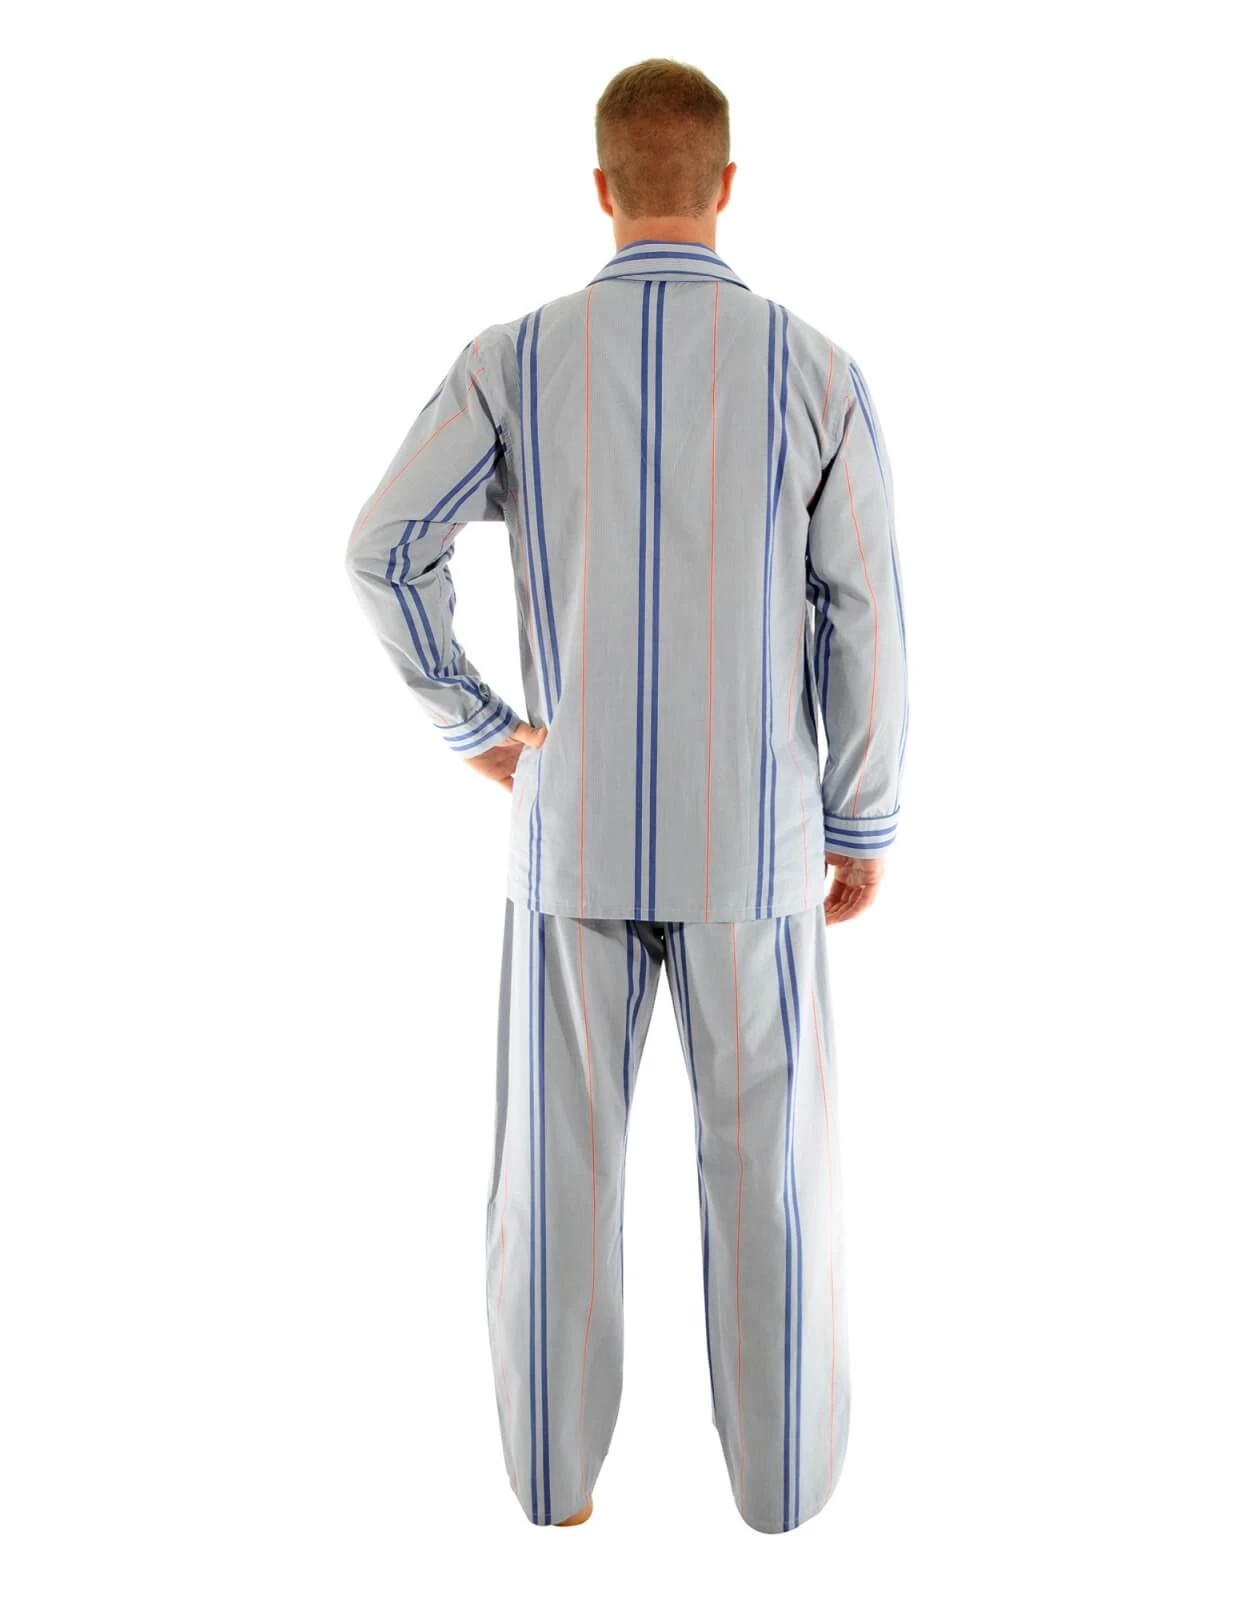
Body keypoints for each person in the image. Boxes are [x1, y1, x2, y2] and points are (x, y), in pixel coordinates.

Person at [343, 56, 908, 1535]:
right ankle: (782, 1495)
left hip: (571, 833)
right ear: (727, 185)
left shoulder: (514, 359)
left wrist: (480, 728)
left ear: (602, 188)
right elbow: (864, 615)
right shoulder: (815, 370)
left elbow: (382, 547)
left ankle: (554, 1488)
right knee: (771, 1180)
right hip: (755, 846)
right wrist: (861, 818)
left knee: (554, 1177)